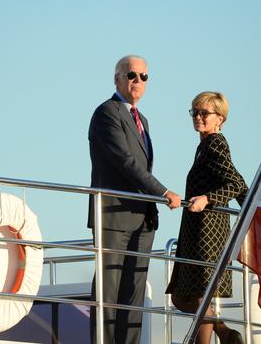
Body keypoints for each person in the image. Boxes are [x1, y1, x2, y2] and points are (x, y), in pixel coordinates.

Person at [88, 55, 181, 344]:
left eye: (143, 76)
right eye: (131, 75)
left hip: (143, 219)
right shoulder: (106, 113)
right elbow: (126, 162)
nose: (137, 81)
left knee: (134, 295)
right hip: (114, 217)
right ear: (117, 79)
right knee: (110, 292)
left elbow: (140, 165)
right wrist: (164, 193)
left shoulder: (143, 120)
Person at [165, 91, 247, 344]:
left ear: (219, 119)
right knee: (181, 296)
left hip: (207, 231)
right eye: (195, 112)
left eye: (204, 113)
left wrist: (208, 199)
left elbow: (238, 183)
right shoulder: (204, 145)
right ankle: (225, 333)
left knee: (200, 295)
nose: (198, 117)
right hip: (195, 229)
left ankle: (215, 337)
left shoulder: (215, 144)